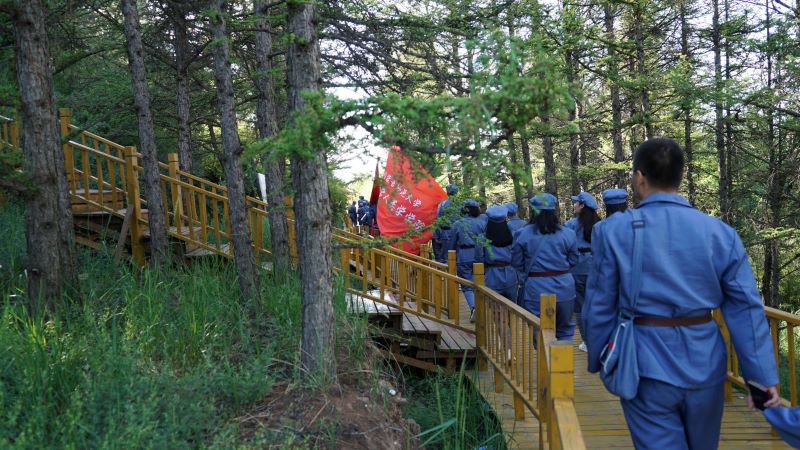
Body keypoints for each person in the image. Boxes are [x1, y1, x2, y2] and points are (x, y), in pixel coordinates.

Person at [583, 138, 780, 450]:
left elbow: (598, 305)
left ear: (639, 178)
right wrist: (761, 378)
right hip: (706, 361)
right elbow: (746, 309)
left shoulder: (613, 231)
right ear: (680, 177)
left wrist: (600, 358)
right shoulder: (720, 233)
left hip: (644, 364)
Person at [511, 193, 578, 340]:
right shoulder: (568, 233)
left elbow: (516, 262)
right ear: (553, 211)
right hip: (564, 286)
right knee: (565, 330)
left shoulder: (522, 234)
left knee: (539, 330)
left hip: (536, 288)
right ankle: (563, 355)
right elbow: (574, 260)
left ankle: (544, 355)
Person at [564, 192, 600, 352]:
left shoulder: (570, 225)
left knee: (579, 308)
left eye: (576, 203)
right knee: (596, 306)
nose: (574, 205)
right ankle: (599, 340)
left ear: (582, 205)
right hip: (596, 269)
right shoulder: (600, 225)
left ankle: (586, 341)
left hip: (576, 269)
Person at [451, 199, 486, 322]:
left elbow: (452, 243)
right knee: (480, 283)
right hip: (479, 255)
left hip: (464, 255)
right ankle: (481, 308)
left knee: (466, 286)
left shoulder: (458, 223)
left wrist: (450, 258)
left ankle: (474, 307)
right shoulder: (482, 223)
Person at [483, 205, 517, 302]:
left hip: (491, 275)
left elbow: (478, 258)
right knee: (512, 307)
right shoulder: (514, 235)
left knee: (492, 307)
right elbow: (517, 256)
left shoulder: (482, 238)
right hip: (510, 274)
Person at [432, 184, 459, 263]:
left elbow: (438, 220)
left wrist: (436, 235)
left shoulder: (442, 204)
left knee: (446, 257)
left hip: (445, 233)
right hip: (458, 233)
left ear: (447, 193)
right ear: (456, 192)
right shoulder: (461, 204)